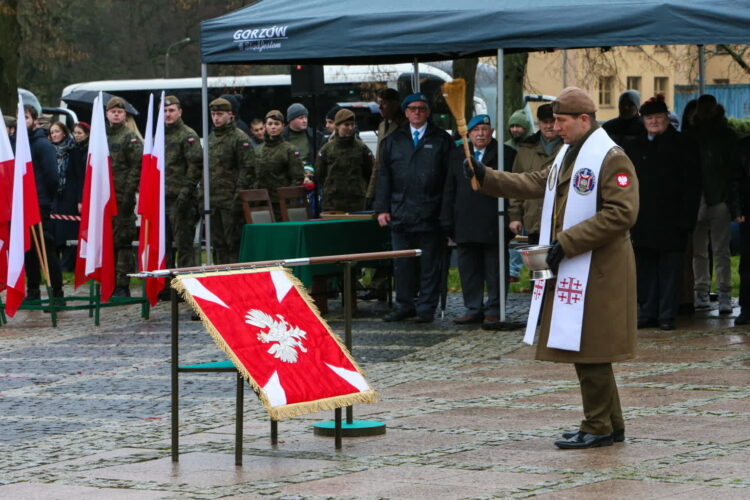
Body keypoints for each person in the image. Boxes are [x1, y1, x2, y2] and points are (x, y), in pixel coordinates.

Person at [466, 87, 638, 449]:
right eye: (554, 120)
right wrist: (487, 175)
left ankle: (597, 426)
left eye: (561, 120)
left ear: (584, 120)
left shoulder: (609, 157)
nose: (554, 127)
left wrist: (567, 242)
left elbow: (622, 213)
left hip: (599, 268)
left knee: (590, 348)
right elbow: (535, 182)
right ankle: (610, 422)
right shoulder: (569, 153)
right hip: (580, 264)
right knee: (590, 347)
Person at [374, 93, 452, 323]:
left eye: (421, 108)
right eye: (412, 109)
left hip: (431, 212)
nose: (417, 112)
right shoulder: (393, 140)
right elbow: (384, 177)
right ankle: (404, 304)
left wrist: (446, 212)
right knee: (402, 264)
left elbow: (449, 179)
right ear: (406, 112)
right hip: (400, 212)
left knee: (430, 265)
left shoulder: (441, 140)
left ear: (428, 112)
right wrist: (381, 208)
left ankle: (426, 307)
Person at [625, 97, 700, 331]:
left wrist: (687, 219)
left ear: (667, 119)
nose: (654, 122)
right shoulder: (634, 146)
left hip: (673, 219)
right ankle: (648, 312)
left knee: (670, 271)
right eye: (649, 118)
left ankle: (667, 314)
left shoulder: (684, 143)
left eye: (658, 117)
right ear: (643, 121)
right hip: (643, 219)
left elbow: (693, 185)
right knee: (645, 268)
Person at [440, 114, 516, 325]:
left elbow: (514, 188)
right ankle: (473, 307)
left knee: (495, 270)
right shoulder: (457, 155)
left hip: (494, 220)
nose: (481, 133)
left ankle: (494, 308)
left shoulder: (505, 154)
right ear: (469, 134)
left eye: (485, 129)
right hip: (464, 221)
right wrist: (447, 222)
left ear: (491, 132)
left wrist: (512, 219)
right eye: (476, 130)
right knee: (469, 270)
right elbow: (449, 189)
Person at [690, 95, 742, 314]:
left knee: (703, 250)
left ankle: (706, 292)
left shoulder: (693, 135)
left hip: (709, 198)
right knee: (717, 251)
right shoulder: (725, 135)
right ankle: (722, 294)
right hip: (716, 198)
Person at [23, 105, 64, 303]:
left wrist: (44, 199)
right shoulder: (19, 144)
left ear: (33, 120)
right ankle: (32, 291)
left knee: (47, 250)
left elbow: (52, 177)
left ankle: (56, 294)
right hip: (22, 205)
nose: (23, 122)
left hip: (39, 204)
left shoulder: (42, 144)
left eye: (26, 117)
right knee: (28, 251)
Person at [207, 97, 254, 264]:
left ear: (230, 115)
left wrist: (237, 197)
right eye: (213, 114)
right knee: (217, 244)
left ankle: (235, 280)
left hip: (231, 202)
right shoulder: (211, 138)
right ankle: (219, 278)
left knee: (233, 243)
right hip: (213, 201)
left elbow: (247, 170)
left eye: (220, 114)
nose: (216, 118)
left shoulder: (240, 138)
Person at [508, 104, 562, 246]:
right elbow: (516, 185)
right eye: (545, 122)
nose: (549, 126)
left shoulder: (569, 148)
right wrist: (515, 216)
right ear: (539, 124)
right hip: (534, 221)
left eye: (552, 121)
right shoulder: (525, 150)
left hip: (561, 222)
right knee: (537, 266)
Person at [106, 97, 143, 297]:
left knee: (123, 241)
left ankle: (123, 283)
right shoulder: (101, 137)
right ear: (107, 114)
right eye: (113, 111)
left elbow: (137, 167)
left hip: (124, 197)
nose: (117, 114)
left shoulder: (130, 137)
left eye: (120, 112)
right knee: (108, 241)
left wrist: (129, 194)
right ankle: (109, 280)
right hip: (105, 199)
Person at [163, 95, 203, 270]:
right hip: (162, 199)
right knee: (163, 247)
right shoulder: (159, 135)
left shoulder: (188, 135)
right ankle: (166, 288)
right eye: (164, 111)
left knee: (184, 245)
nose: (168, 114)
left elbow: (195, 167)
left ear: (180, 112)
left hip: (181, 200)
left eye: (171, 111)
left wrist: (185, 193)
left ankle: (186, 287)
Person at [315, 109, 373, 212]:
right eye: (346, 125)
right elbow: (320, 174)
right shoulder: (327, 149)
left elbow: (370, 172)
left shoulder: (361, 148)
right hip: (332, 203)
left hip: (357, 202)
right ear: (337, 126)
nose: (350, 128)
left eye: (352, 124)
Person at [254, 109, 305, 219]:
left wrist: (288, 200)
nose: (273, 127)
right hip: (261, 202)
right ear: (265, 126)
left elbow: (297, 178)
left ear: (282, 126)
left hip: (281, 202)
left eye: (276, 124)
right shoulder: (258, 150)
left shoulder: (289, 150)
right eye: (270, 124)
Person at [366, 87, 406, 208]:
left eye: (384, 103)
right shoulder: (382, 125)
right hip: (384, 182)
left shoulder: (406, 125)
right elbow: (378, 161)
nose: (380, 107)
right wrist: (370, 193)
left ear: (395, 104)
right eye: (379, 103)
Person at [49, 121, 79, 272]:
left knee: (68, 231)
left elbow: (77, 175)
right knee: (54, 231)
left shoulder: (72, 150)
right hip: (54, 195)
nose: (54, 134)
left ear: (64, 133)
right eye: (52, 132)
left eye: (57, 131)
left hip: (69, 196)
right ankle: (54, 266)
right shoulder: (49, 150)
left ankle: (67, 266)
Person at [736, 134, 750, 325]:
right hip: (748, 211)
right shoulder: (744, 146)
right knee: (747, 263)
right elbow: (736, 179)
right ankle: (746, 307)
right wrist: (737, 208)